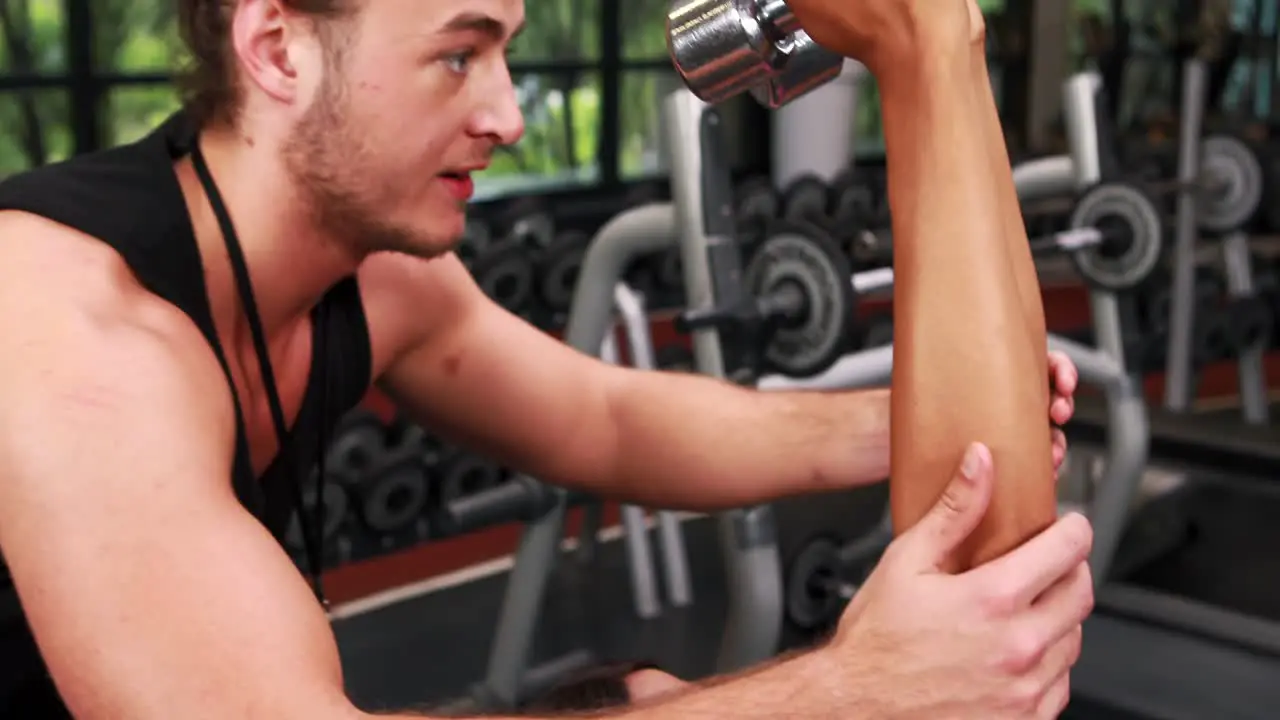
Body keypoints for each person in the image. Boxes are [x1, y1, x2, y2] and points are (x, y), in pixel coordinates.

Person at [0, 0, 1092, 717]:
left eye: (506, 53)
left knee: (643, 695)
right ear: (278, 47)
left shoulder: (373, 277)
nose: (509, 114)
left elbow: (603, 421)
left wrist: (893, 427)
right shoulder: (64, 329)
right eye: (456, 55)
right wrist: (854, 687)